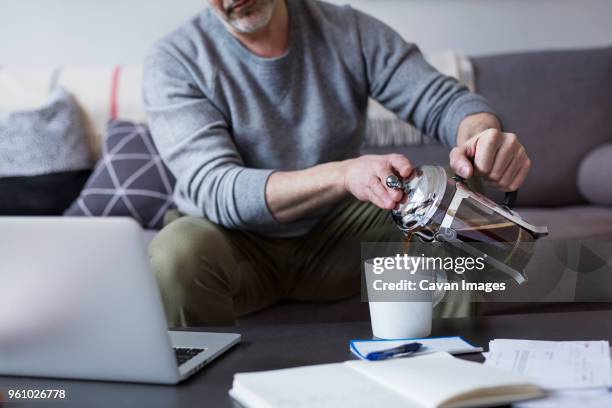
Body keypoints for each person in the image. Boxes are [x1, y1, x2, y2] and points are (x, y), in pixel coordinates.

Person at [143, 0, 531, 327]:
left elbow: (443, 101)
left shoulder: (346, 30)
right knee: (176, 254)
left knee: (453, 199)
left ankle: (453, 376)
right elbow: (218, 188)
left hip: (337, 237)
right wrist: (344, 174)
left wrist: (481, 134)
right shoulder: (174, 60)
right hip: (232, 243)